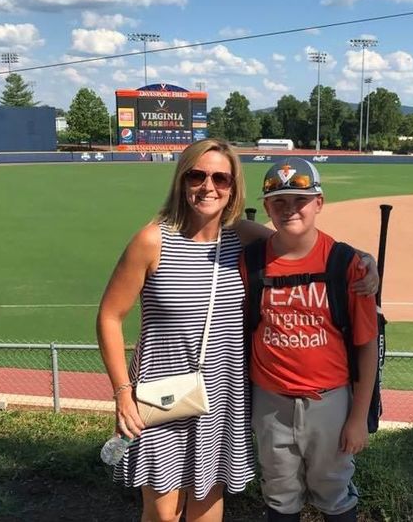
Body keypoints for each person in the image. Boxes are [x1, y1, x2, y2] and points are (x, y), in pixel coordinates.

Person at [96, 139, 378, 522]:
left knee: (207, 506)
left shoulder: (241, 237)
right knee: (163, 513)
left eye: (220, 178)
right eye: (197, 175)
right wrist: (121, 393)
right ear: (182, 180)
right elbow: (109, 316)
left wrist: (363, 260)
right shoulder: (152, 240)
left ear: (232, 187)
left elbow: (303, 242)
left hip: (221, 397)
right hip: (161, 396)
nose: (208, 186)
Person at [242, 157, 379, 522]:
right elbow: (226, 226)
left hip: (330, 400)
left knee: (333, 488)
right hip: (270, 401)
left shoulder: (347, 264)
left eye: (300, 200)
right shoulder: (251, 261)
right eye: (279, 202)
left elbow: (366, 345)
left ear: (319, 202)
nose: (290, 209)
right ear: (267, 208)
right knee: (278, 491)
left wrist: (358, 418)